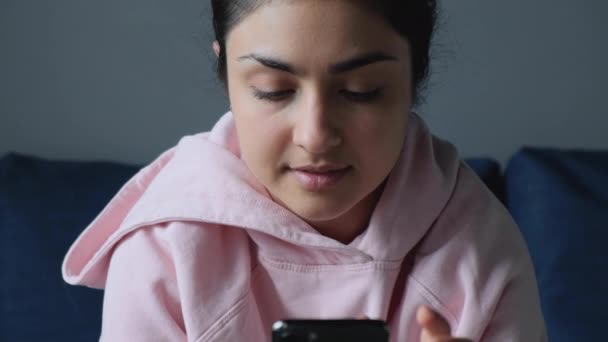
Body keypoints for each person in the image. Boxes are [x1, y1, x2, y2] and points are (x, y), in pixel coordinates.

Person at [62, 0, 547, 341]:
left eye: (361, 90)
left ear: (413, 74)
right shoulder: (165, 249)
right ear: (226, 73)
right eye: (274, 89)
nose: (315, 136)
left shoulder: (482, 248)